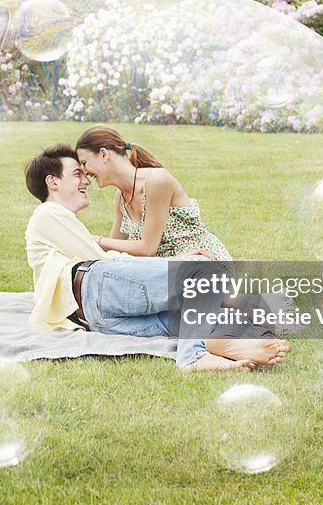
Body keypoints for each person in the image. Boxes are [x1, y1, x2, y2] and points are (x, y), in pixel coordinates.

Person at [24, 144, 290, 372]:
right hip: (95, 289)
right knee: (206, 271)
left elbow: (110, 257)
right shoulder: (48, 213)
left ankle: (219, 340)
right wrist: (178, 262)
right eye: (76, 174)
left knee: (194, 316)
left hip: (95, 319)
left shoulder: (56, 220)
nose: (85, 181)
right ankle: (194, 356)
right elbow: (101, 259)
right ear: (53, 181)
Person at [75, 125, 229, 261]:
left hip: (201, 260)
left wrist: (95, 239)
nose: (85, 172)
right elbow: (113, 252)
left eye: (84, 163)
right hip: (161, 269)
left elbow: (147, 249)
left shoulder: (156, 180)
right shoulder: (120, 199)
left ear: (104, 154)